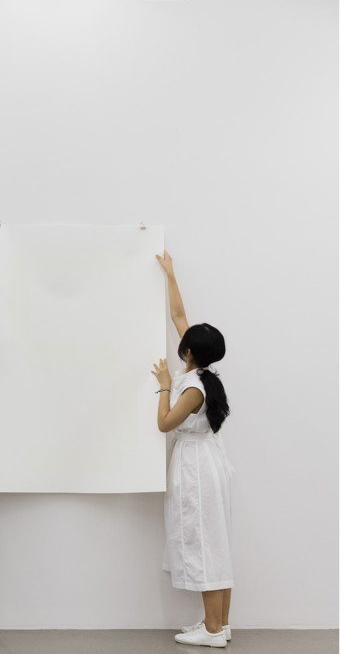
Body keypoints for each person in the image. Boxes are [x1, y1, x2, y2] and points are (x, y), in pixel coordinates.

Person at [152, 251, 234, 649]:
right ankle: (220, 623)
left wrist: (164, 383)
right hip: (210, 460)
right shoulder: (203, 372)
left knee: (203, 542)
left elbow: (164, 423)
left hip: (196, 466)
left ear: (188, 353)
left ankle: (213, 631)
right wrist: (170, 274)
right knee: (216, 541)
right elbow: (179, 316)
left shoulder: (190, 386)